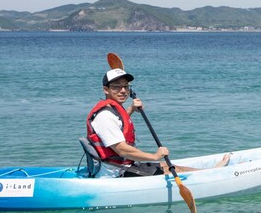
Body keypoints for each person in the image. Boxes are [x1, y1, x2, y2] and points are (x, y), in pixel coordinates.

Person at [86, 67, 229, 177]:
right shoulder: (104, 116)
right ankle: (212, 174)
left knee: (165, 165)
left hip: (122, 166)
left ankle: (208, 172)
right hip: (117, 173)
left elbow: (118, 125)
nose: (123, 91)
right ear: (106, 89)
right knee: (173, 169)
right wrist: (154, 156)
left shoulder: (112, 111)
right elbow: (122, 149)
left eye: (126, 86)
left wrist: (130, 110)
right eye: (116, 87)